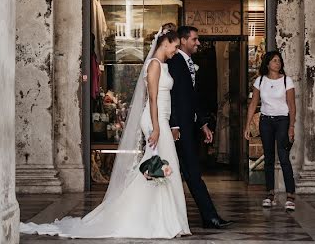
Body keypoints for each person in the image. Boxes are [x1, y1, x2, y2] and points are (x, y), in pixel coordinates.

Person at [21, 29, 190, 238]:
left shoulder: (162, 65)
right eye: (175, 46)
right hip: (155, 121)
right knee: (160, 166)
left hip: (162, 119)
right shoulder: (154, 65)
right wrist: (156, 128)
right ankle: (153, 219)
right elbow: (153, 99)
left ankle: (163, 219)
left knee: (159, 167)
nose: (176, 50)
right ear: (166, 43)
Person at [168, 25, 233, 229]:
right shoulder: (175, 61)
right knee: (191, 172)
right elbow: (171, 97)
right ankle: (209, 216)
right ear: (184, 40)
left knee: (189, 171)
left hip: (189, 126)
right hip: (179, 128)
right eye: (195, 39)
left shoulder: (187, 62)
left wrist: (203, 123)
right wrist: (175, 125)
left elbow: (192, 98)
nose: (198, 43)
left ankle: (209, 216)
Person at [244, 50, 296, 210]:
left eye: (279, 60)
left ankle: (290, 195)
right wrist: (247, 125)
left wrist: (291, 126)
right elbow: (253, 104)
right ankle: (270, 193)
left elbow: (292, 105)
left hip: (282, 120)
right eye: (274, 60)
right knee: (268, 157)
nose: (277, 63)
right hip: (265, 120)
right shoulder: (260, 81)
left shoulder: (287, 81)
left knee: (283, 156)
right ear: (267, 64)